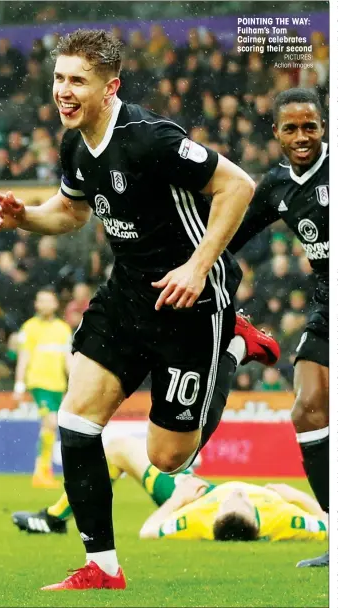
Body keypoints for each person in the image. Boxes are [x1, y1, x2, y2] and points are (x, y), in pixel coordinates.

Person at [0, 29, 259, 591]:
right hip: (128, 297)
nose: (63, 91)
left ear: (110, 87)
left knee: (166, 459)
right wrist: (25, 217)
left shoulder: (149, 138)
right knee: (76, 418)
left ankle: (233, 342)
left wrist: (198, 267)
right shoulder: (73, 144)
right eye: (59, 78)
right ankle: (103, 569)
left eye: (77, 81)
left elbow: (238, 185)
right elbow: (70, 212)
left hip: (190, 301)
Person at [228, 88, 329, 568]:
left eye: (310, 125)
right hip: (327, 304)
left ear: (324, 126)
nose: (301, 136)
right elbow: (230, 236)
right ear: (277, 134)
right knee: (307, 411)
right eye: (291, 128)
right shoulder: (275, 186)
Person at [12, 436, 328, 544]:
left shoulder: (200, 519)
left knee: (119, 450)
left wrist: (178, 500)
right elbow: (329, 524)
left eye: (234, 500)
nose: (237, 494)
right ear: (257, 520)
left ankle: (53, 518)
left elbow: (150, 532)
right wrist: (296, 495)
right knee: (124, 448)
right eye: (240, 499)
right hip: (201, 489)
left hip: (195, 494)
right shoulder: (285, 519)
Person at [13, 288, 72, 488]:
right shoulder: (29, 328)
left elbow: (67, 359)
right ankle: (40, 472)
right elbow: (24, 357)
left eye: (49, 300)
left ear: (55, 304)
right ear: (36, 304)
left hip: (58, 385)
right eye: (41, 300)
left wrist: (74, 382)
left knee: (49, 427)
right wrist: (19, 385)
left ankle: (43, 471)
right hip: (38, 383)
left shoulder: (63, 329)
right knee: (51, 422)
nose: (45, 304)